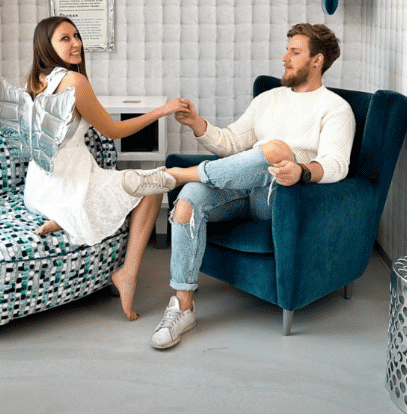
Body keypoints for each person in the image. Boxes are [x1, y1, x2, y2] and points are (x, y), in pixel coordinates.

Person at [119, 23, 356, 349]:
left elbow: (336, 165)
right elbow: (232, 142)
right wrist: (197, 124)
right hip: (243, 187)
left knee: (274, 150)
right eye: (287, 50)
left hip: (283, 197)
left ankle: (177, 173)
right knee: (188, 202)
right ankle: (183, 307)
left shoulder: (335, 108)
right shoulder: (269, 98)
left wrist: (300, 170)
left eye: (295, 52)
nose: (284, 57)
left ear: (317, 60)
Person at [21, 16, 188, 321]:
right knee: (154, 185)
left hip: (38, 188)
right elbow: (112, 131)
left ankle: (74, 224)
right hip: (68, 186)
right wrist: (162, 110)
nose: (76, 44)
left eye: (76, 35)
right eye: (65, 39)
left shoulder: (36, 83)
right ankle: (125, 272)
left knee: (147, 190)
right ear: (46, 45)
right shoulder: (74, 82)